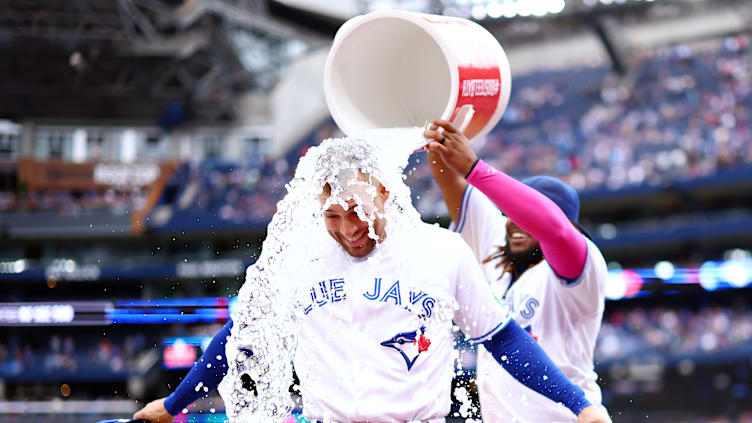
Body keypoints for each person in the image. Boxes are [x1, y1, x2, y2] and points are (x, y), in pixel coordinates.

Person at [135, 138, 608, 423]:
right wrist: (176, 402)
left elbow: (503, 339)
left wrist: (578, 405)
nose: (347, 228)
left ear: (385, 192)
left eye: (357, 212)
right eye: (333, 215)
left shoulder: (441, 250)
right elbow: (243, 337)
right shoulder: (302, 257)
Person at [424, 119, 610, 422]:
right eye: (511, 214)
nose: (515, 222)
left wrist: (475, 169)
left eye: (526, 216)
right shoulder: (497, 245)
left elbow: (555, 231)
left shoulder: (580, 270)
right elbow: (450, 183)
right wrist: (438, 137)